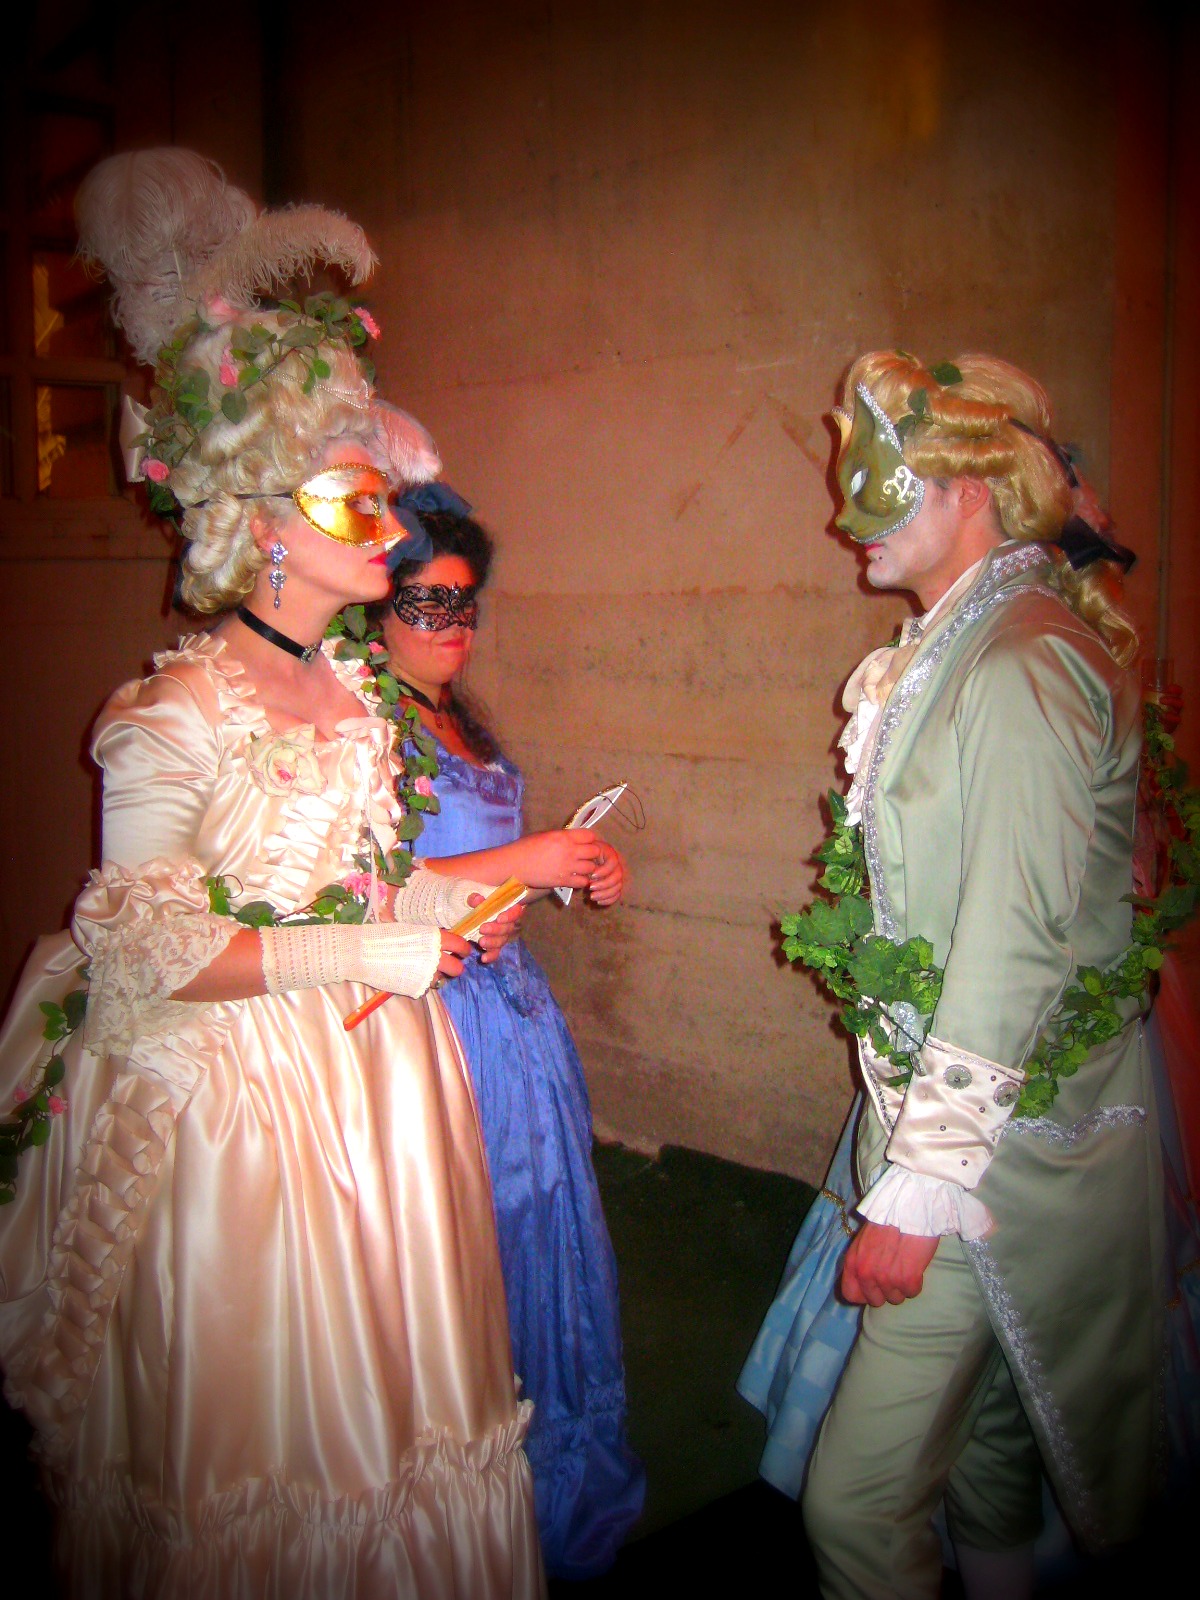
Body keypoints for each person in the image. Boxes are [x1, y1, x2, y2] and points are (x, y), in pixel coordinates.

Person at [0, 150, 543, 1599]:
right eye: (358, 502)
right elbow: (150, 955)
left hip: (383, 1087)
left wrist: (439, 908)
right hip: (239, 1111)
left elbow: (354, 885)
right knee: (269, 1417)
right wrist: (373, 951)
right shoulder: (167, 716)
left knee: (398, 1381)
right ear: (262, 520)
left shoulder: (359, 693)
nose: (394, 529)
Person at [785, 351, 1164, 1599]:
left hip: (990, 1161)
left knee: (855, 1504)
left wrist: (923, 1182)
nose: (849, 513)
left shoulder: (1021, 659)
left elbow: (1013, 934)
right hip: (962, 1127)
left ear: (975, 487)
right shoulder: (969, 640)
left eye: (888, 482)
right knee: (991, 1447)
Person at [367, 488, 646, 1579]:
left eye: (464, 604)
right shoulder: (364, 723)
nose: (452, 627)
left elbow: (496, 873)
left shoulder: (457, 716)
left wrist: (575, 869)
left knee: (538, 1222)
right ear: (377, 609)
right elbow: (367, 880)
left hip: (512, 1007)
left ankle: (552, 1466)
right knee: (463, 1240)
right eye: (425, 604)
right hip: (428, 1012)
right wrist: (523, 859)